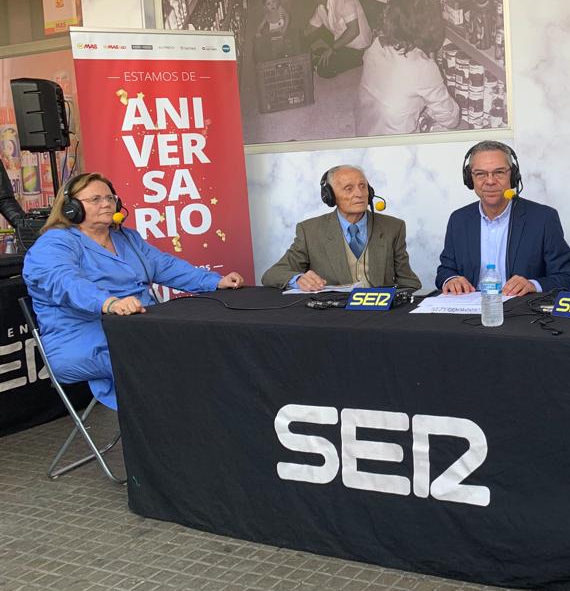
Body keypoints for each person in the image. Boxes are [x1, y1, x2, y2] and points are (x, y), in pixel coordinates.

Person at [22, 172, 244, 410]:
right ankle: (169, 427)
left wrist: (216, 281)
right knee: (174, 361)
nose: (106, 203)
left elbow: (165, 265)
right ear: (71, 208)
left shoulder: (127, 238)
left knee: (198, 346)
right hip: (82, 341)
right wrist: (109, 303)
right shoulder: (54, 243)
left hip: (141, 331)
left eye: (110, 197)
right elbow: (64, 282)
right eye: (95, 199)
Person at [435, 141, 570, 296]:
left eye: (499, 172)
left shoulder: (543, 218)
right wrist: (451, 279)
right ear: (470, 179)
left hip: (523, 313)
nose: (490, 181)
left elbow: (568, 278)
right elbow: (445, 270)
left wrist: (533, 285)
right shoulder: (459, 220)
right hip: (470, 313)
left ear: (514, 175)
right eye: (480, 174)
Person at [262, 165, 421, 291]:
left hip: (381, 315)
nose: (359, 194)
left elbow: (409, 281)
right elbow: (272, 275)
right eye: (349, 188)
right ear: (329, 196)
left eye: (362, 186)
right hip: (333, 316)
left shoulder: (393, 227)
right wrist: (298, 279)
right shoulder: (310, 231)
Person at [355, 0, 461, 136]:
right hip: (395, 149)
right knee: (447, 128)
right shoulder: (423, 66)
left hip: (365, 132)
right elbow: (451, 119)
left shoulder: (377, 43)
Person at [304, 0, 372, 78]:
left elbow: (354, 31)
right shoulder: (321, 7)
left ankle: (357, 60)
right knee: (319, 51)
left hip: (359, 49)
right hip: (343, 45)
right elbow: (310, 29)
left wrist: (332, 49)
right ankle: (330, 56)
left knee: (324, 69)